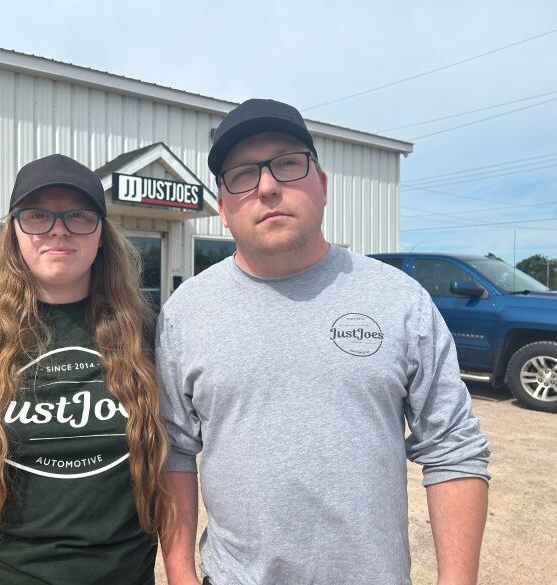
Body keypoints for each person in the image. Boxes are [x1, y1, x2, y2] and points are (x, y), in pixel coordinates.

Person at [157, 99, 490, 585]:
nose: (268, 186)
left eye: (288, 164)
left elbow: (453, 448)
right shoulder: (185, 314)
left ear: (323, 185)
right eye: (243, 175)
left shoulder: (399, 301)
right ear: (223, 209)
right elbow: (173, 450)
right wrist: (181, 575)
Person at [0, 154, 172, 585]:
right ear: (14, 233)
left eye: (79, 216)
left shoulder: (147, 333)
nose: (58, 229)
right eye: (37, 215)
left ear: (102, 234)